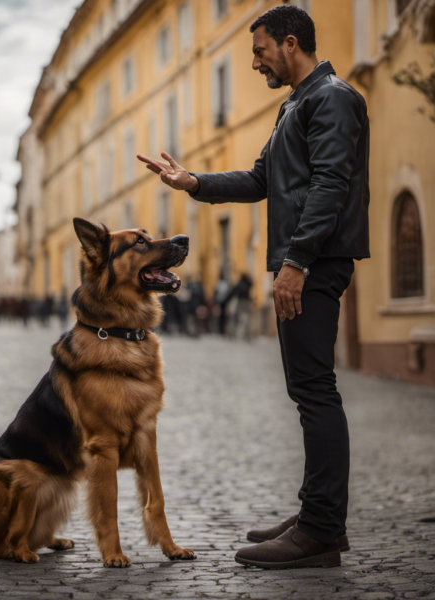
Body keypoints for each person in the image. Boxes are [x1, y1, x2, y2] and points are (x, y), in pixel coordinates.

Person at [138, 4, 369, 569]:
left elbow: (332, 183)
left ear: (291, 43)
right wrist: (192, 182)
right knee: (307, 389)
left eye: (260, 49)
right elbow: (260, 179)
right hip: (306, 260)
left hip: (314, 263)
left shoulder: (331, 97)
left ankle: (320, 530)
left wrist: (296, 262)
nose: (254, 61)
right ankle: (318, 511)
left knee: (314, 391)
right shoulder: (296, 104)